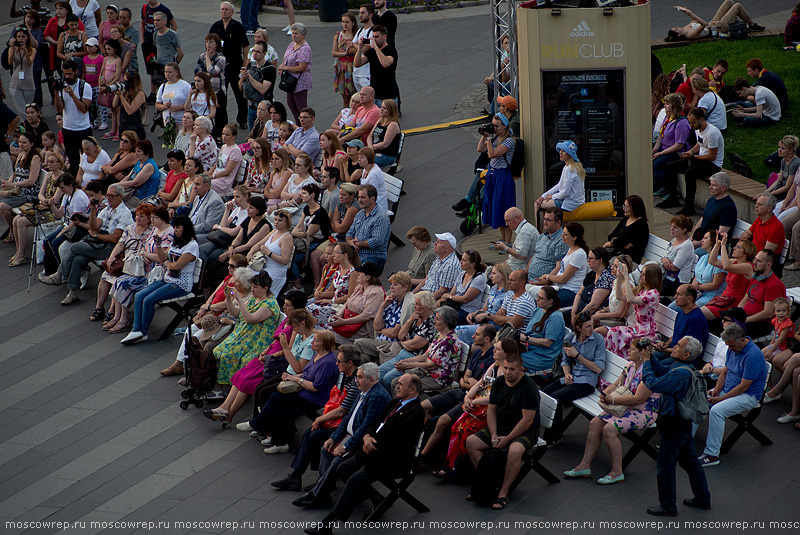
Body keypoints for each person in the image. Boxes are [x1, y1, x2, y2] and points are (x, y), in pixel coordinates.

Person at [303, 374, 424, 535]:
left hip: (392, 459)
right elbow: (374, 423)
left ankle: (329, 522)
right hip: (372, 449)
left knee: (355, 479)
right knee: (343, 468)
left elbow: (398, 441)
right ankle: (376, 498)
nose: (396, 386)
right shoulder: (395, 403)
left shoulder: (415, 412)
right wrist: (367, 437)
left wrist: (371, 444)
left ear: (413, 389)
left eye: (401, 384)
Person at [291, 362, 392, 509]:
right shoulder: (362, 390)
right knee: (325, 449)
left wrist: (345, 446)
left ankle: (318, 493)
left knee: (337, 462)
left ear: (371, 379)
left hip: (360, 442)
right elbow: (347, 418)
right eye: (357, 377)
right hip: (349, 435)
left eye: (360, 377)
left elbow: (365, 427)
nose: (356, 380)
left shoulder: (377, 396)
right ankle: (323, 493)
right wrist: (334, 437)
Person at [269, 344, 362, 490]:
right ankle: (298, 476)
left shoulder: (356, 382)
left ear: (350, 363)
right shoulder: (346, 376)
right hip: (340, 421)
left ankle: (321, 480)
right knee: (309, 433)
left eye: (340, 361)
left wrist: (319, 419)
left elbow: (342, 411)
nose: (336, 364)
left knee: (314, 435)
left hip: (347, 427)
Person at [639, 337, 711, 516]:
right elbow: (662, 371)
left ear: (686, 354)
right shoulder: (683, 368)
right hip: (682, 422)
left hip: (673, 422)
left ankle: (668, 505)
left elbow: (654, 384)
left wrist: (647, 362)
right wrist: (652, 358)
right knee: (690, 461)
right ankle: (703, 498)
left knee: (665, 465)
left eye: (678, 346)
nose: (674, 347)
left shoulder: (680, 373)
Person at [241, 330, 339, 454]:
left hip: (314, 397)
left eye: (315, 340)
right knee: (274, 397)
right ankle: (278, 438)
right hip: (306, 391)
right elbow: (308, 373)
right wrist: (291, 376)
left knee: (277, 399)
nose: (312, 342)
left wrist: (295, 378)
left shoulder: (327, 362)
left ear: (324, 343)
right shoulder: (317, 354)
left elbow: (316, 387)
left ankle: (259, 425)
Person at [465, 352, 539, 511]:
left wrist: (508, 438)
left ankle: (503, 492)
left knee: (515, 451)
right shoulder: (499, 382)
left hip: (524, 431)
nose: (507, 372)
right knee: (471, 442)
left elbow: (527, 420)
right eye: (505, 368)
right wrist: (494, 434)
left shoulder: (529, 388)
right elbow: (491, 411)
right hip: (501, 427)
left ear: (521, 370)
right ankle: (488, 483)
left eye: (512, 369)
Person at [424, 328, 501, 477]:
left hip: (474, 400)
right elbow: (466, 378)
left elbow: (481, 388)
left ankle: (424, 456)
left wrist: (469, 385)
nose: (473, 336)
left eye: (477, 334)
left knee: (444, 421)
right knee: (424, 407)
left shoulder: (493, 362)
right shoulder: (478, 352)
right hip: (463, 393)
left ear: (486, 339)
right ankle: (429, 449)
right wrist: (468, 384)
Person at [44, 183, 133, 303]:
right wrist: (92, 211)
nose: (109, 198)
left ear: (120, 197)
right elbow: (93, 226)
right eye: (108, 195)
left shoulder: (124, 214)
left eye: (112, 196)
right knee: (78, 260)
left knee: (75, 247)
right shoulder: (107, 209)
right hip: (98, 242)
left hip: (110, 247)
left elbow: (115, 238)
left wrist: (96, 235)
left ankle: (59, 275)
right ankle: (73, 293)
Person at [698, 324, 768, 468]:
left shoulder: (752, 356)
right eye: (728, 346)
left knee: (717, 411)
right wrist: (716, 390)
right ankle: (684, 442)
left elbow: (744, 386)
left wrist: (720, 399)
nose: (729, 349)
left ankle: (712, 454)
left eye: (732, 345)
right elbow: (724, 372)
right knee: (697, 402)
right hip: (729, 391)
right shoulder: (733, 348)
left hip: (747, 396)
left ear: (742, 340)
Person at [120, 215, 198, 344]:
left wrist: (167, 264)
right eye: (175, 227)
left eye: (178, 227)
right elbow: (162, 258)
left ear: (186, 228)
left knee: (149, 300)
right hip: (167, 278)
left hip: (180, 284)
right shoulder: (177, 243)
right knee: (139, 296)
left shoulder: (192, 246)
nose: (175, 230)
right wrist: (159, 246)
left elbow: (177, 265)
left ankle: (143, 332)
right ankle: (136, 330)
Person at [103, 204, 173, 332]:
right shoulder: (155, 230)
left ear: (162, 218)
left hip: (154, 275)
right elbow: (143, 247)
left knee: (124, 283)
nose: (151, 220)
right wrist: (143, 253)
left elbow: (161, 258)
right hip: (144, 269)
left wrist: (145, 254)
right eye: (151, 217)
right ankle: (118, 317)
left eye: (154, 217)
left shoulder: (168, 233)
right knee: (119, 281)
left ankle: (124, 320)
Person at [542, 312, 607, 446]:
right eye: (588, 326)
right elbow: (565, 362)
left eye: (592, 325)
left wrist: (577, 356)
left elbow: (598, 369)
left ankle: (553, 436)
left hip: (586, 382)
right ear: (578, 327)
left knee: (556, 399)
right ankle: (541, 427)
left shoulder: (598, 340)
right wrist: (566, 374)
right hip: (572, 378)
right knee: (542, 394)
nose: (591, 329)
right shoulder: (570, 338)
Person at [213, 270, 281, 386]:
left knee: (228, 355)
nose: (252, 289)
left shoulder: (269, 304)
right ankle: (223, 385)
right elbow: (234, 312)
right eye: (252, 287)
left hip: (256, 340)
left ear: (265, 288)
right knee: (218, 351)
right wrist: (228, 298)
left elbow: (250, 319)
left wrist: (239, 300)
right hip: (244, 334)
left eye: (255, 287)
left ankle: (229, 385)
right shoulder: (254, 299)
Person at [659, 107, 723, 216]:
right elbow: (699, 144)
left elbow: (712, 156)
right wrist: (690, 152)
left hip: (712, 165)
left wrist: (693, 157)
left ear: (701, 119)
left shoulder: (712, 133)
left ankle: (689, 207)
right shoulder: (698, 129)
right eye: (689, 122)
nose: (691, 125)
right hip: (700, 159)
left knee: (690, 174)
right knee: (670, 167)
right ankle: (673, 197)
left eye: (693, 122)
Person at [383, 305, 460, 394]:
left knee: (397, 384)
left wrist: (407, 365)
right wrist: (404, 361)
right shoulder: (440, 334)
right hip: (427, 372)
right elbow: (425, 356)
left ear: (446, 322)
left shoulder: (449, 341)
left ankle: (405, 406)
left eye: (437, 319)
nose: (434, 321)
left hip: (438, 378)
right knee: (396, 380)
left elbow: (432, 365)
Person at [606, 263, 662, 358]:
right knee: (613, 332)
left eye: (644, 274)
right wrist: (620, 279)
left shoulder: (654, 294)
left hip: (646, 332)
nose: (640, 276)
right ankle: (615, 359)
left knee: (616, 333)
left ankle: (619, 360)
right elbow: (620, 296)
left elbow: (631, 299)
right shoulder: (641, 290)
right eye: (641, 273)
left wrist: (627, 277)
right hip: (635, 328)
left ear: (651, 277)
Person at [209, 2, 249, 130]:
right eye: (222, 9)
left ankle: (242, 119)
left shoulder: (237, 26)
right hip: (220, 67)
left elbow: (246, 46)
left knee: (240, 94)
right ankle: (222, 120)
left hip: (235, 64)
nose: (224, 12)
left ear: (232, 12)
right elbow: (209, 43)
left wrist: (244, 64)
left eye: (226, 10)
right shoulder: (216, 26)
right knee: (221, 95)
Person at [531, 222, 589, 307]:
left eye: (565, 235)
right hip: (559, 288)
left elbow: (563, 279)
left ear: (574, 238)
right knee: (528, 299)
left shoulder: (578, 254)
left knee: (537, 303)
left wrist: (547, 276)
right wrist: (548, 281)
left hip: (570, 292)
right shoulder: (570, 250)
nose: (562, 237)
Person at [478, 113, 515, 244]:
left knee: (504, 208)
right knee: (496, 209)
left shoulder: (509, 140)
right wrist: (484, 136)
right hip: (493, 176)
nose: (494, 129)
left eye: (497, 126)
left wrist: (488, 139)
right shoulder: (495, 138)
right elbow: (480, 149)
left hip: (503, 177)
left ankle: (508, 242)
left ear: (504, 126)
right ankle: (502, 240)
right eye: (493, 126)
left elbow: (492, 154)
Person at [700, 234, 756, 320]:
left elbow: (727, 266)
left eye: (738, 247)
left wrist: (723, 245)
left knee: (697, 313)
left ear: (745, 253)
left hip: (733, 303)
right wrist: (718, 244)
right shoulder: (734, 262)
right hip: (723, 300)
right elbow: (712, 261)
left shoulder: (748, 267)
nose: (734, 248)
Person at [733, 249, 786, 338]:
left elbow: (768, 313)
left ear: (768, 265)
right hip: (746, 316)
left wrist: (745, 320)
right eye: (755, 259)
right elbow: (746, 298)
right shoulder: (756, 277)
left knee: (732, 332)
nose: (754, 262)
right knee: (716, 323)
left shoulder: (773, 285)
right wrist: (736, 313)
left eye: (758, 261)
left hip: (761, 323)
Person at [330, 262, 385, 345]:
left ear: (368, 277)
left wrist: (344, 322)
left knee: (329, 337)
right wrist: (339, 315)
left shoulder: (376, 293)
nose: (357, 274)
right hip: (348, 321)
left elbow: (366, 316)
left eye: (360, 272)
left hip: (361, 328)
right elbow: (348, 302)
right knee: (325, 332)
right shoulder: (360, 286)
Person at [455, 264, 511, 344]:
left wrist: (486, 315)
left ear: (502, 275)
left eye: (494, 273)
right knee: (455, 329)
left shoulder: (508, 295)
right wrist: (473, 314)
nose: (491, 276)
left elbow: (501, 318)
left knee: (458, 331)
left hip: (493, 327)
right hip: (483, 322)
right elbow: (484, 309)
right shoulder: (493, 289)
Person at [654, 285, 709, 367]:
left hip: (683, 360)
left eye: (679, 294)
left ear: (689, 299)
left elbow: (689, 351)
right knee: (647, 355)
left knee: (655, 365)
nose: (675, 297)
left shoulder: (696, 319)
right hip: (673, 353)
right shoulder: (681, 312)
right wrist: (666, 344)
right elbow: (677, 334)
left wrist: (665, 350)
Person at [669, 231, 725, 311]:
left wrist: (697, 286)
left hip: (711, 296)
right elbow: (696, 276)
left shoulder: (720, 261)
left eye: (705, 238)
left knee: (686, 308)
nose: (702, 240)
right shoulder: (703, 258)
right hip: (697, 292)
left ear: (713, 241)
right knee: (672, 307)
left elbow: (715, 285)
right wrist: (694, 286)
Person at [56, 59, 93, 176]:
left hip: (83, 128)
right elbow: (59, 108)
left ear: (76, 71)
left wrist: (72, 95)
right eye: (65, 74)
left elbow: (83, 109)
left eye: (70, 74)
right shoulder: (63, 86)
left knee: (88, 158)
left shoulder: (85, 86)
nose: (67, 77)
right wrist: (56, 93)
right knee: (73, 160)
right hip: (68, 129)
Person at [290, 183, 330, 286]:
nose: (301, 195)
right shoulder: (306, 208)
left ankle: (313, 285)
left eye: (304, 193)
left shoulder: (319, 213)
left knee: (292, 258)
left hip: (317, 240)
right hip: (305, 238)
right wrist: (294, 232)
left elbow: (307, 234)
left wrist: (293, 233)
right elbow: (299, 226)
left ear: (312, 195)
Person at [0, 132, 42, 231]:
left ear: (31, 144)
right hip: (18, 189)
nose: (21, 144)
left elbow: (31, 181)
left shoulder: (35, 158)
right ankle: (12, 228)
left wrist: (13, 184)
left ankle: (12, 230)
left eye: (24, 142)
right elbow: (15, 173)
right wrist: (8, 182)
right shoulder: (21, 155)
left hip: (28, 192)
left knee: (3, 206)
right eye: (20, 142)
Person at [653, 94, 690, 201]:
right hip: (664, 149)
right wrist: (655, 149)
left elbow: (679, 145)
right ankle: (665, 187)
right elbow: (661, 135)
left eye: (667, 104)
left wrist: (660, 154)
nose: (664, 106)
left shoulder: (681, 122)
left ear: (674, 105)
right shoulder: (668, 117)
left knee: (654, 165)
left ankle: (671, 190)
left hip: (676, 152)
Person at [520, 286, 565, 374]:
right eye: (537, 296)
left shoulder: (555, 317)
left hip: (544, 356)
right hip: (531, 349)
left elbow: (547, 343)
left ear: (550, 301)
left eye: (541, 298)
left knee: (510, 360)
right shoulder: (538, 310)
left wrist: (526, 339)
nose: (537, 299)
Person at [536, 140, 585, 217]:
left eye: (564, 151)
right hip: (576, 202)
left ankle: (539, 229)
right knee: (545, 204)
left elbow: (565, 193)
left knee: (537, 204)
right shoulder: (572, 167)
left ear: (569, 154)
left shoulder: (569, 169)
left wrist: (552, 196)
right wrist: (544, 195)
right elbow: (559, 185)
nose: (560, 153)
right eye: (560, 150)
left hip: (570, 204)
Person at [667, 2, 765, 41]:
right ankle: (752, 24)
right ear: (678, 35)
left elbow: (694, 20)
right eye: (676, 29)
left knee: (729, 2)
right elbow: (703, 24)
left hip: (713, 22)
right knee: (737, 6)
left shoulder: (684, 29)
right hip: (718, 28)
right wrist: (691, 13)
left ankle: (735, 19)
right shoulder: (689, 35)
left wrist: (686, 11)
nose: (677, 27)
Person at [346, 184, 390, 269]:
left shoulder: (381, 218)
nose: (359, 200)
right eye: (359, 197)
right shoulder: (360, 214)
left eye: (363, 197)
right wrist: (349, 242)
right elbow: (350, 233)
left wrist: (356, 244)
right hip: (357, 254)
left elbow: (376, 241)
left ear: (372, 199)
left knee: (352, 273)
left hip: (373, 258)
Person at [251, 209, 293, 297]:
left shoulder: (287, 238)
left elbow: (285, 260)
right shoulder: (274, 231)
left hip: (275, 272)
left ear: (286, 223)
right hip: (263, 266)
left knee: (256, 286)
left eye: (280, 220)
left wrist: (269, 253)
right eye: (275, 219)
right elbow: (259, 244)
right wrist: (249, 255)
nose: (276, 222)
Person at [353, 25, 397, 108]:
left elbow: (386, 64)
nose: (374, 39)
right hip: (374, 94)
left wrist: (375, 47)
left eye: (377, 37)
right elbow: (357, 64)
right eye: (373, 37)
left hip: (388, 95)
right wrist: (359, 49)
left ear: (384, 36)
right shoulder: (371, 52)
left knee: (388, 120)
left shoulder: (391, 50)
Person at [194, 33, 227, 136]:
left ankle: (220, 135)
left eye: (211, 42)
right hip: (206, 89)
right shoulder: (201, 56)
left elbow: (212, 71)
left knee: (220, 114)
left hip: (217, 90)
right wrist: (206, 74)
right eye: (207, 42)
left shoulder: (221, 58)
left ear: (216, 44)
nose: (208, 44)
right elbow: (197, 71)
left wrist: (208, 58)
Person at [279, 23, 313, 124]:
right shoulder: (291, 44)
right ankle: (298, 125)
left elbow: (302, 67)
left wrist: (286, 68)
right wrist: (282, 67)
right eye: (293, 33)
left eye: (296, 33)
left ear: (303, 35)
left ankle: (307, 125)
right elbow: (286, 59)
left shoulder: (304, 48)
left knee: (301, 106)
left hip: (300, 81)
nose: (293, 35)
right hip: (290, 80)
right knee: (291, 104)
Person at [270, 153, 315, 226]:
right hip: (286, 208)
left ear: (307, 167)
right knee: (267, 217)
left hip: (299, 212)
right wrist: (293, 195)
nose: (296, 167)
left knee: (274, 222)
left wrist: (277, 206)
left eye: (299, 165)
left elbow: (296, 201)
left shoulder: (309, 182)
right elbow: (282, 194)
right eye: (296, 164)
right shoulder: (293, 176)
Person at [571, 247, 614, 323]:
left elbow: (594, 305)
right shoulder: (592, 274)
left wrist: (578, 319)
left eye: (590, 258)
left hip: (591, 316)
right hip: (580, 311)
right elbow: (579, 294)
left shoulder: (606, 277)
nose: (588, 260)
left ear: (600, 260)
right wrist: (573, 313)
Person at [239, 42, 275, 131]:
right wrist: (242, 79)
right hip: (251, 106)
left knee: (263, 134)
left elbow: (263, 89)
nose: (255, 53)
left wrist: (249, 77)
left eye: (258, 52)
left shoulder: (269, 69)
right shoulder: (250, 65)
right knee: (252, 134)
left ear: (264, 53)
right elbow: (240, 87)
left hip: (264, 107)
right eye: (254, 51)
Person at [739, 193, 784, 263]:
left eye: (760, 205)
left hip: (762, 263)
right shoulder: (760, 219)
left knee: (728, 265)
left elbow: (766, 254)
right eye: (756, 203)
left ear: (769, 208)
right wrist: (741, 244)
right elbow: (747, 233)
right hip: (751, 256)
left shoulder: (775, 227)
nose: (756, 206)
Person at [604, 195, 649, 263]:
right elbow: (611, 236)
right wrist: (616, 243)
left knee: (601, 264)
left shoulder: (641, 224)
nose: (623, 208)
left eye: (626, 206)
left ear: (634, 208)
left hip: (628, 260)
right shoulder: (625, 219)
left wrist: (610, 244)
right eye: (624, 206)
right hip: (616, 255)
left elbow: (622, 243)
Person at [527, 207, 569, 280]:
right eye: (544, 219)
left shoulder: (562, 239)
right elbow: (535, 255)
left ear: (558, 222)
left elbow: (559, 267)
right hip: (529, 278)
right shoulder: (542, 236)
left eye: (548, 220)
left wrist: (546, 280)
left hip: (543, 283)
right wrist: (525, 272)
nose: (545, 222)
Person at [492, 207, 539, 272]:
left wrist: (505, 248)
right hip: (514, 264)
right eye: (505, 221)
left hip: (519, 268)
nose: (506, 224)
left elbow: (522, 255)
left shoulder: (525, 232)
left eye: (508, 221)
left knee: (490, 273)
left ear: (518, 218)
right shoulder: (524, 228)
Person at [415, 232, 460, 299]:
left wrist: (423, 301)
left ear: (447, 248)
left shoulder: (450, 265)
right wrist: (413, 293)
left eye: (439, 242)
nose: (435, 243)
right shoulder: (438, 258)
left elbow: (442, 292)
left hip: (432, 299)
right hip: (424, 292)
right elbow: (427, 279)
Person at [116, 139, 159, 208]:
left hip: (143, 197)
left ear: (147, 153)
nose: (136, 153)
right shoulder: (139, 162)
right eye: (135, 151)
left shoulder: (149, 166)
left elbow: (135, 183)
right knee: (113, 200)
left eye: (138, 151)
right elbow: (128, 177)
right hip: (132, 193)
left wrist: (116, 185)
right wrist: (115, 187)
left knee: (117, 205)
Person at [6, 25, 37, 119]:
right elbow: (10, 62)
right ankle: (27, 128)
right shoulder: (13, 49)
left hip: (28, 83)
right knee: (21, 110)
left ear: (27, 37)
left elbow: (29, 63)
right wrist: (11, 48)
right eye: (19, 37)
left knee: (28, 108)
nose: (21, 39)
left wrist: (25, 51)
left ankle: (29, 126)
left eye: (23, 36)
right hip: (16, 83)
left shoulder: (33, 50)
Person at [155, 62, 191, 142]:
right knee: (172, 144)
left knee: (183, 143)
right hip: (169, 122)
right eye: (166, 72)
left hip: (182, 121)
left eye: (170, 72)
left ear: (176, 72)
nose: (167, 74)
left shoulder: (184, 85)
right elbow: (157, 105)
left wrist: (180, 107)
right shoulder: (163, 86)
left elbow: (191, 103)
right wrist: (164, 106)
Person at [660, 214, 695, 297]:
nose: (671, 229)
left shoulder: (686, 245)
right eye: (671, 226)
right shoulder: (674, 240)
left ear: (684, 230)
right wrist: (665, 260)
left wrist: (664, 260)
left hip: (677, 282)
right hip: (666, 276)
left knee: (648, 287)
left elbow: (674, 267)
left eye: (675, 227)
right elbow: (665, 258)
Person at [188, 173, 225, 244]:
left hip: (206, 234)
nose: (194, 187)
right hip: (193, 228)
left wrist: (189, 229)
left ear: (206, 186)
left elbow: (208, 226)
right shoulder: (198, 196)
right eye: (194, 184)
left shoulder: (215, 202)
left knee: (185, 239)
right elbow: (192, 216)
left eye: (197, 184)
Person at [765, 136, 799, 213]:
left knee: (769, 207)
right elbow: (778, 180)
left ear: (790, 151)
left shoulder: (795, 163)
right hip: (780, 190)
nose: (779, 150)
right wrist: (766, 192)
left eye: (783, 148)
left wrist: (771, 194)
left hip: (788, 193)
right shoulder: (783, 160)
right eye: (779, 147)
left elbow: (787, 187)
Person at [332, 12, 357, 110]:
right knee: (345, 98)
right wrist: (346, 53)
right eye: (343, 22)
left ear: (353, 23)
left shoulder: (356, 35)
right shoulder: (338, 36)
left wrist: (353, 50)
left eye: (347, 22)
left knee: (355, 95)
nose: (345, 24)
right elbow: (334, 53)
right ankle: (346, 115)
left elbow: (360, 50)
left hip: (353, 65)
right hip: (342, 67)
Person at [209, 124, 242, 196]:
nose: (224, 136)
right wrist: (209, 173)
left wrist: (212, 176)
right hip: (216, 177)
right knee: (196, 180)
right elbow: (216, 164)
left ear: (234, 136)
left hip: (224, 182)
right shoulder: (224, 147)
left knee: (201, 184)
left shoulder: (235, 150)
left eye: (227, 135)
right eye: (223, 134)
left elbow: (228, 171)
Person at [113, 71, 147, 142]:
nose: (124, 83)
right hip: (123, 126)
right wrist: (117, 94)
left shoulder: (140, 94)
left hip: (134, 128)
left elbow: (130, 111)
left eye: (126, 81)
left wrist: (121, 96)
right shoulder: (125, 92)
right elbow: (114, 105)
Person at [366, 99, 400, 168]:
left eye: (385, 108)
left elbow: (385, 144)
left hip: (387, 155)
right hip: (374, 150)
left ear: (391, 111)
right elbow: (370, 136)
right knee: (356, 158)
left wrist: (373, 147)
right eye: (381, 107)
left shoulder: (392, 124)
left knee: (365, 161)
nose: (381, 109)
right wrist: (370, 147)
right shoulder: (380, 121)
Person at [351, 4, 374, 92]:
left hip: (365, 73)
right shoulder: (360, 30)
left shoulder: (372, 31)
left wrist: (357, 47)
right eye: (359, 13)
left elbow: (365, 49)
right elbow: (350, 46)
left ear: (370, 15)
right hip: (356, 72)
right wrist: (359, 47)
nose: (360, 15)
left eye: (363, 13)